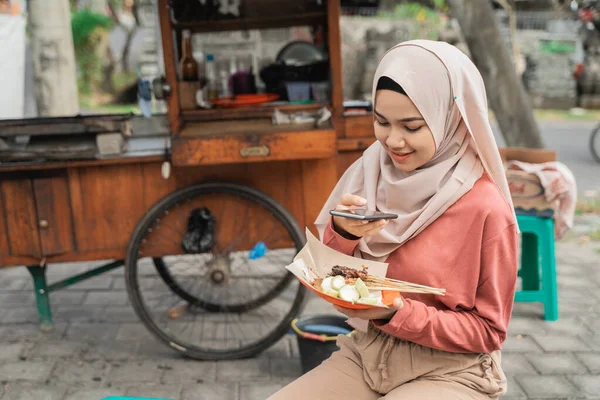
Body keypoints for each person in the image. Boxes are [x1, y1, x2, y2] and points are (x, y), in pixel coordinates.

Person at [269, 40, 519, 400]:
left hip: (452, 370)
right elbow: (326, 273)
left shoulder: (485, 208)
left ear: (450, 118)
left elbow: (488, 332)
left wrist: (397, 312)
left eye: (413, 126)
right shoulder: (371, 171)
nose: (393, 141)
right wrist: (342, 234)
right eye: (381, 121)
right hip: (368, 354)